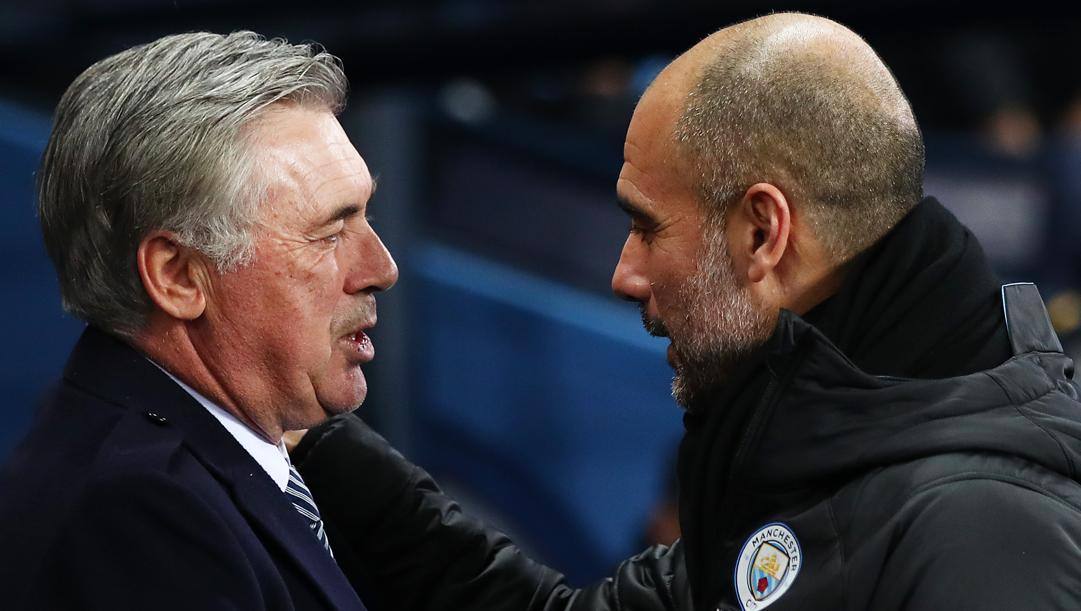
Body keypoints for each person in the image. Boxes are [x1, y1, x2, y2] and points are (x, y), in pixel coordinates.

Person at [290, 12, 1081, 611]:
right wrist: (308, 434)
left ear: (762, 231)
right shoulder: (807, 459)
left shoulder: (982, 533)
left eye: (646, 226)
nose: (623, 274)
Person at [0, 32, 396, 609]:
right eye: (330, 233)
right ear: (179, 276)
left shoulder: (220, 459)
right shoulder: (141, 514)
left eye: (366, 216)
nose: (380, 268)